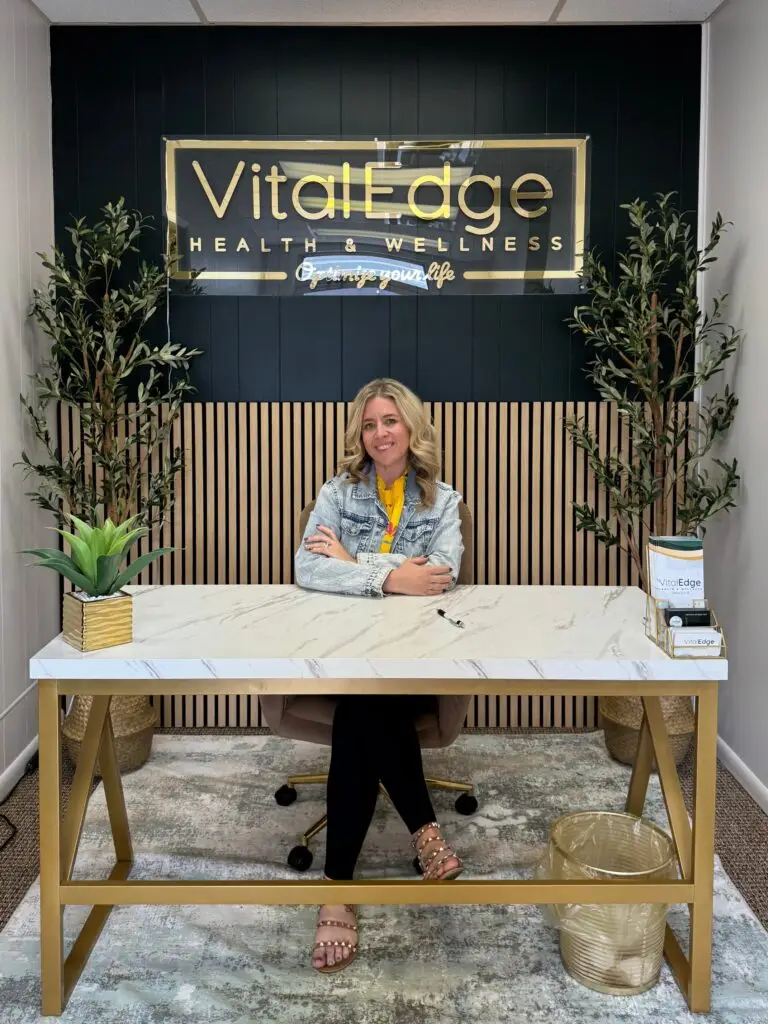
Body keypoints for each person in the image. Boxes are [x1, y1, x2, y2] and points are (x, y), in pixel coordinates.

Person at [294, 377, 466, 974]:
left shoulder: (441, 500)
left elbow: (441, 573)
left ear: (411, 428)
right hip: (342, 651)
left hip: (417, 656)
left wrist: (355, 562)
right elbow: (304, 566)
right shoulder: (338, 493)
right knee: (366, 702)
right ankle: (425, 833)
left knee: (363, 712)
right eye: (369, 424)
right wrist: (392, 577)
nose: (379, 433)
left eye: (389, 421)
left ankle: (335, 888)